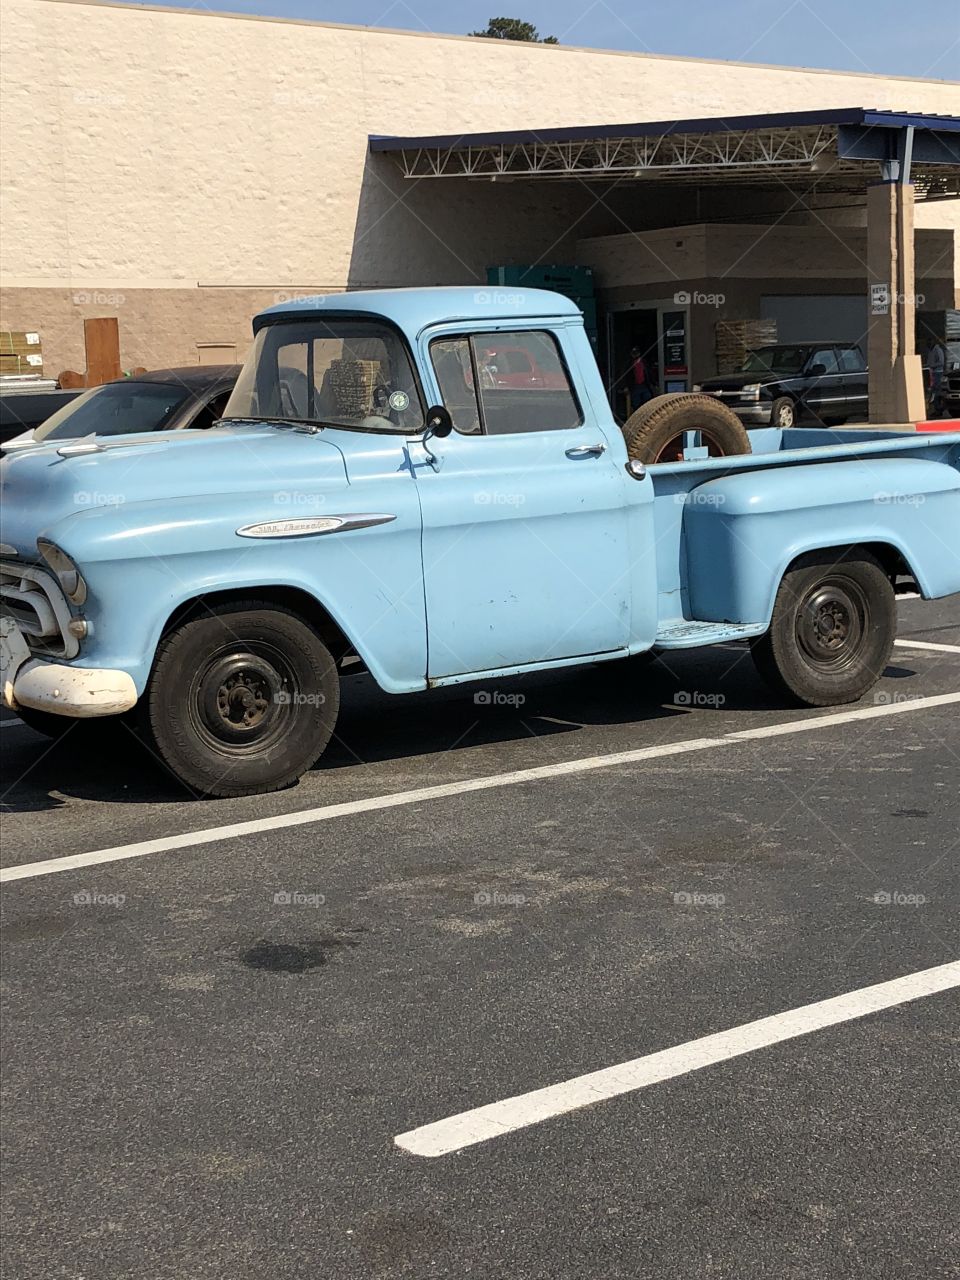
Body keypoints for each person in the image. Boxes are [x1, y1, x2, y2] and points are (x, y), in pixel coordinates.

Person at [628, 345, 654, 411]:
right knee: (636, 404)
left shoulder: (644, 362)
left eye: (636, 353)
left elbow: (649, 373)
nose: (635, 355)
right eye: (633, 353)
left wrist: (653, 383)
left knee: (648, 401)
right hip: (635, 386)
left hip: (645, 385)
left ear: (639, 353)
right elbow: (627, 376)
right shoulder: (629, 363)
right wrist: (626, 386)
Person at [926, 338, 946, 418]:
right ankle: (936, 409)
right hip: (931, 373)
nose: (928, 344)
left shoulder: (938, 350)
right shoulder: (930, 351)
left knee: (937, 392)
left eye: (929, 342)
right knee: (932, 392)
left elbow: (941, 362)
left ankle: (939, 410)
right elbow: (929, 361)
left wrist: (932, 365)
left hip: (938, 373)